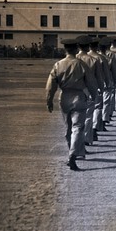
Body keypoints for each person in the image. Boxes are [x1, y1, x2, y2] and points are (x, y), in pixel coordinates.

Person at [46, 38, 98, 171]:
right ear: (75, 49)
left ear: (65, 49)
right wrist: (94, 96)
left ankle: (72, 150)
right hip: (79, 97)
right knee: (78, 127)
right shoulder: (81, 64)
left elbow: (51, 85)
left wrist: (49, 100)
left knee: (68, 127)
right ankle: (73, 154)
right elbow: (91, 82)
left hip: (64, 97)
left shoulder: (58, 64)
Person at [76, 35, 104, 145]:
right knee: (88, 116)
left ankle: (74, 143)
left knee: (74, 120)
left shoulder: (74, 59)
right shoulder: (93, 60)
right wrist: (99, 90)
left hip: (74, 91)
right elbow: (98, 77)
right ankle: (86, 139)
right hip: (88, 90)